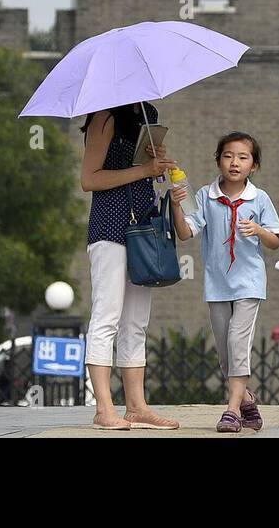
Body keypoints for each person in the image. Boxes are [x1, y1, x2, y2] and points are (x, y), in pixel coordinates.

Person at [171, 132, 279, 433]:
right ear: (218, 160)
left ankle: (231, 410)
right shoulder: (206, 196)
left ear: (253, 165)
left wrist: (258, 229)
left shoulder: (260, 199)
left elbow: (274, 241)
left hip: (249, 283)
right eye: (229, 156)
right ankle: (246, 400)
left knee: (237, 343)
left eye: (243, 157)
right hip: (217, 284)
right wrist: (176, 205)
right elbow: (185, 233)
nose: (235, 162)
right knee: (224, 353)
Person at [79, 102, 178, 430]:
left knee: (136, 320)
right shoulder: (104, 116)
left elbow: (146, 171)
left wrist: (155, 161)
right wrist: (143, 170)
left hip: (144, 226)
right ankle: (103, 407)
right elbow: (89, 179)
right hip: (109, 226)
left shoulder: (147, 114)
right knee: (107, 315)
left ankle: (136, 405)